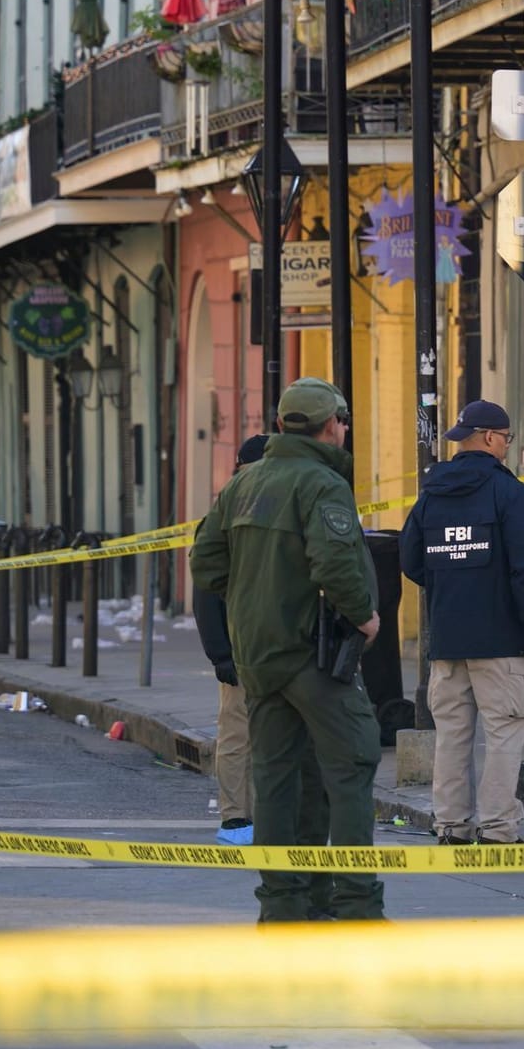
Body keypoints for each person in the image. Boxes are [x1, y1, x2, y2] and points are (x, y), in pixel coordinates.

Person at [191, 377, 386, 923]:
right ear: (332, 427)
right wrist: (364, 618)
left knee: (277, 777)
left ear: (280, 425)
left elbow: (205, 564)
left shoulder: (243, 485)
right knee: (352, 761)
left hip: (257, 655)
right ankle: (355, 904)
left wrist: (255, 595)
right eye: (342, 423)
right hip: (310, 653)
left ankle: (284, 905)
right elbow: (336, 565)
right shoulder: (321, 484)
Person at [399, 400, 524, 845]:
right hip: (501, 641)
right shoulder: (509, 494)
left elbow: (411, 559)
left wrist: (448, 586)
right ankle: (497, 829)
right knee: (505, 734)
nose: (508, 448)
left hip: (449, 641)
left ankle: (452, 825)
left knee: (452, 736)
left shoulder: (432, 493)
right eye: (507, 439)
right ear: (491, 437)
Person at [195, 433, 270, 846]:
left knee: (254, 734)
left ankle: (251, 816)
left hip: (266, 645)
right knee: (241, 734)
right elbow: (206, 590)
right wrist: (220, 653)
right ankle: (238, 818)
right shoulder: (226, 516)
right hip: (244, 648)